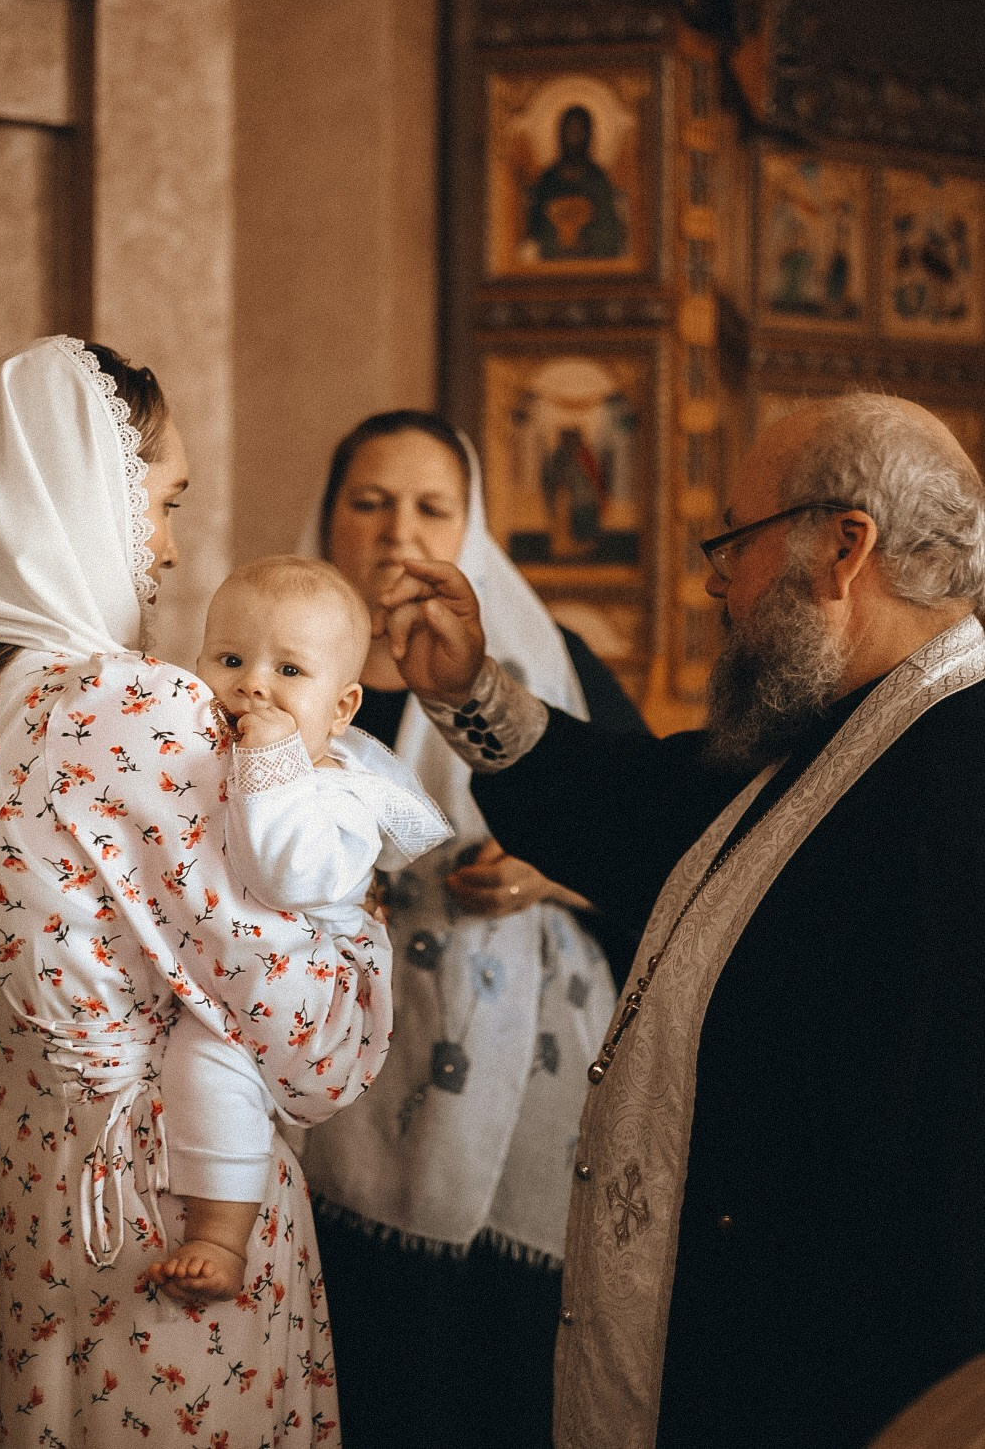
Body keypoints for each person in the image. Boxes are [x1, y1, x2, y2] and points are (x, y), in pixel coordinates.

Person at [374, 392, 985, 1449]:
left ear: (846, 548)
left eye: (734, 542)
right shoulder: (843, 729)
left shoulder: (957, 776)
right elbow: (635, 806)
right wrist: (468, 685)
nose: (714, 578)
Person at [0, 337, 393, 1448]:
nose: (167, 549)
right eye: (159, 502)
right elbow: (310, 1050)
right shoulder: (140, 711)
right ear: (77, 494)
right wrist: (359, 917)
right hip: (161, 1219)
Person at [295, 410, 648, 1448]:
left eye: (431, 508)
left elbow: (652, 848)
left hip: (515, 1113)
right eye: (371, 502)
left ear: (471, 529)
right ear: (329, 517)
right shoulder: (274, 661)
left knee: (497, 1393)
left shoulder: (544, 662)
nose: (399, 531)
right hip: (329, 1112)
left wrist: (553, 872)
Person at [148, 556, 450, 1300]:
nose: (253, 683)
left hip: (311, 995)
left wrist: (273, 763)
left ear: (341, 710)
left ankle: (221, 1235)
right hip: (246, 974)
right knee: (192, 1056)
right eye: (229, 659)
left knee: (208, 1056)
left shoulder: (340, 792)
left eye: (289, 669)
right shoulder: (217, 759)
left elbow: (287, 877)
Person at [526, 104, 628, 261]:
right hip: (551, 270)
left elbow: (609, 233)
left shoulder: (598, 180)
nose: (574, 137)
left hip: (591, 270)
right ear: (561, 134)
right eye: (569, 131)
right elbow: (536, 232)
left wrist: (586, 243)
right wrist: (557, 244)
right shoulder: (548, 180)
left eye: (579, 131)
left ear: (588, 135)